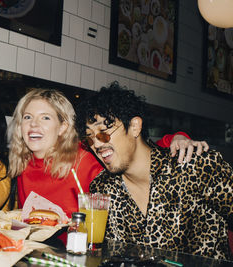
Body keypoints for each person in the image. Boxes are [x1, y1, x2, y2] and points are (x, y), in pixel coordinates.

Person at [75, 82, 233, 259]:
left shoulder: (196, 166)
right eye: (89, 138)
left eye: (103, 132)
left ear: (135, 126)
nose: (96, 144)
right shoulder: (102, 189)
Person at [8, 88, 208, 218]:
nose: (33, 124)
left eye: (45, 118)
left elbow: (135, 148)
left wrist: (177, 137)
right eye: (27, 117)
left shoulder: (84, 156)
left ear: (62, 127)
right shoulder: (21, 164)